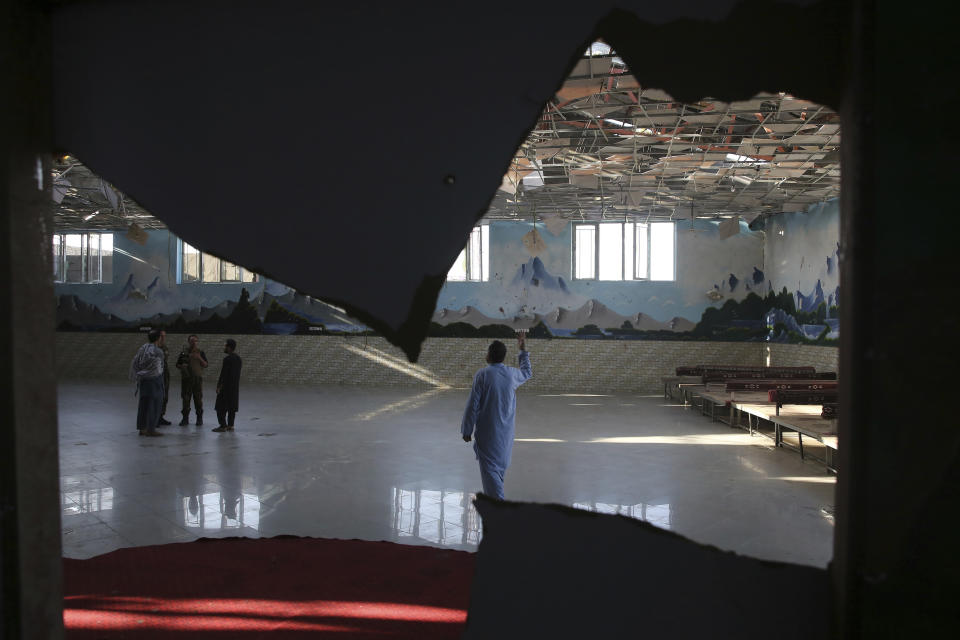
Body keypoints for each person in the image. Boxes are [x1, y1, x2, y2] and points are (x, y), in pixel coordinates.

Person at [461, 330, 532, 500]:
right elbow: (527, 372)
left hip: (487, 435)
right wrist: (522, 348)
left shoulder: (482, 375)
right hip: (505, 435)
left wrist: (467, 430)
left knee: (491, 475)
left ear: (490, 355)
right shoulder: (511, 374)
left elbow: (472, 405)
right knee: (498, 471)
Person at [129, 329, 166, 437]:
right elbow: (159, 367)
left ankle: (142, 428)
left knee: (144, 404)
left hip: (144, 380)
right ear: (158, 338)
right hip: (154, 380)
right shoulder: (158, 351)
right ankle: (151, 429)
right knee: (154, 404)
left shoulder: (143, 348)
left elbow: (136, 362)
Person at [176, 334, 208, 426]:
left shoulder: (201, 352)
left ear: (197, 342)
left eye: (195, 341)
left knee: (198, 399)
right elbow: (177, 364)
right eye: (192, 341)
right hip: (186, 380)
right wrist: (182, 366)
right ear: (188, 342)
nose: (193, 342)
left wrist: (199, 358)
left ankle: (199, 418)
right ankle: (185, 419)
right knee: (186, 399)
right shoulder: (183, 353)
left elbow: (205, 365)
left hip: (197, 379)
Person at [213, 338, 242, 432]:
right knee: (231, 407)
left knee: (220, 407)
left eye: (225, 346)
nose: (224, 347)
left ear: (229, 347)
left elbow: (224, 374)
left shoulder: (227, 359)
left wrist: (219, 386)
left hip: (225, 388)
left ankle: (223, 425)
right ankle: (230, 425)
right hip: (234, 388)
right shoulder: (238, 359)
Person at [157, 330, 172, 425]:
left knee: (165, 396)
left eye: (164, 336)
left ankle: (161, 416)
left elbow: (165, 359)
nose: (163, 338)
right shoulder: (153, 348)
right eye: (161, 336)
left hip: (165, 373)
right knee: (157, 396)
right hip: (157, 374)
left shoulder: (164, 347)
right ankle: (154, 418)